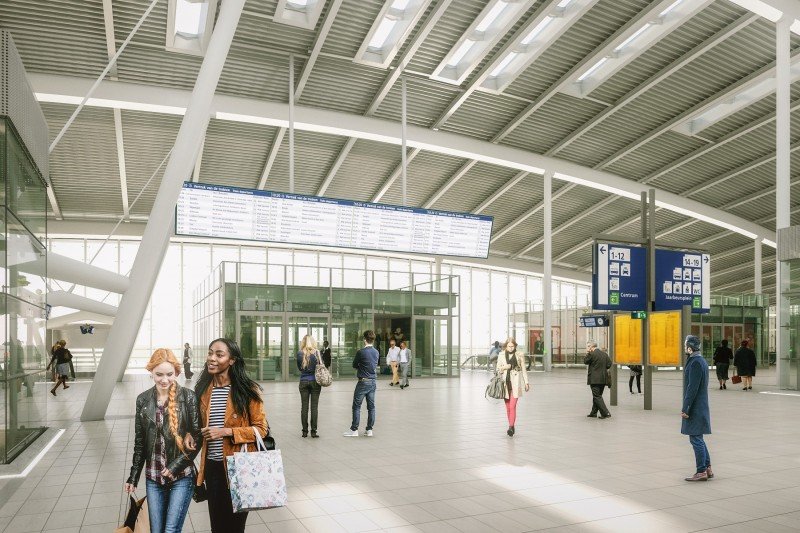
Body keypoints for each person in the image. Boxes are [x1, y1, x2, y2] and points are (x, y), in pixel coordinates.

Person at [194, 338, 268, 533]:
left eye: (219, 354)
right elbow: (195, 429)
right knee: (217, 527)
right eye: (210, 353)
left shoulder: (247, 390)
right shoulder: (202, 391)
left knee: (235, 527)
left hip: (240, 468)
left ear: (232, 360)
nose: (212, 358)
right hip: (212, 468)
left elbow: (261, 429)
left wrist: (226, 432)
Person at [124, 349, 202, 533]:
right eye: (159, 374)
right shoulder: (142, 400)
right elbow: (140, 442)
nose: (164, 380)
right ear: (151, 372)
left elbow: (197, 438)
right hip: (153, 477)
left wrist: (175, 466)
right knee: (156, 531)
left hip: (181, 476)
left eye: (169, 374)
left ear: (177, 373)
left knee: (170, 530)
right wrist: (133, 476)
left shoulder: (188, 397)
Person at [681, 335, 713, 481]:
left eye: (685, 345)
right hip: (700, 405)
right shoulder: (701, 361)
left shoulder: (694, 363)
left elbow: (691, 388)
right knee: (698, 437)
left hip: (695, 407)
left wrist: (686, 408)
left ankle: (701, 471)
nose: (684, 348)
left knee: (695, 439)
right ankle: (708, 468)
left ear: (690, 348)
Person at [343, 330, 379, 437]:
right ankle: (369, 430)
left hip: (363, 382)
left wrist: (361, 367)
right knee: (371, 407)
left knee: (357, 406)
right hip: (373, 381)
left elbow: (354, 365)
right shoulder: (376, 352)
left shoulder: (361, 352)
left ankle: (354, 430)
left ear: (364, 339)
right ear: (373, 340)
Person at [495, 337, 529, 436]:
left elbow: (523, 370)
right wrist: (506, 367)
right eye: (509, 346)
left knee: (512, 406)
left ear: (515, 346)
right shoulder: (501, 355)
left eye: (512, 346)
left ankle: (510, 427)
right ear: (506, 346)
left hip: (516, 383)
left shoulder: (519, 355)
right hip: (505, 384)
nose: (511, 348)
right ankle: (512, 425)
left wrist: (526, 382)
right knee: (508, 408)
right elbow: (498, 369)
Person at [297, 334, 322, 438]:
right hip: (315, 382)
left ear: (303, 342)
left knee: (304, 407)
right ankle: (313, 432)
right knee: (314, 407)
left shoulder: (299, 353)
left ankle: (304, 432)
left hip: (303, 382)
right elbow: (321, 366)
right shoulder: (316, 353)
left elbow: (300, 368)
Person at [584, 341, 611, 419]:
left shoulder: (592, 354)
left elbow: (585, 361)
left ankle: (606, 413)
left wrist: (588, 353)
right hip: (603, 379)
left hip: (594, 379)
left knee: (597, 396)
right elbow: (609, 364)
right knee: (597, 396)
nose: (587, 348)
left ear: (591, 347)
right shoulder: (604, 354)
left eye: (588, 347)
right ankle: (593, 413)